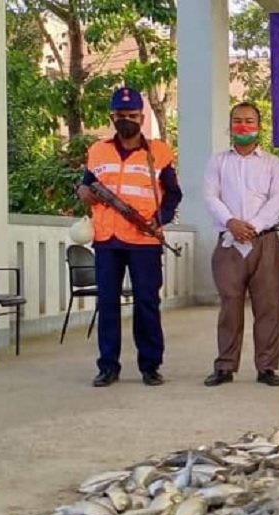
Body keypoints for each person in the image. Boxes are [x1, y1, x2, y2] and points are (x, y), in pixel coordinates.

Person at [78, 86, 183, 388]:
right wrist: (83, 193)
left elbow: (174, 194)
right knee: (107, 303)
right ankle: (108, 366)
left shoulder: (159, 152)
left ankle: (150, 365)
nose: (126, 120)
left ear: (142, 116)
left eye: (132, 115)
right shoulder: (98, 151)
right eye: (120, 115)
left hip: (145, 240)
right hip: (107, 239)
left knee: (147, 303)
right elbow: (86, 187)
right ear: (112, 116)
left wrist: (158, 219)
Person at [202, 101, 279, 387]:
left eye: (249, 121)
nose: (243, 126)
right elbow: (211, 197)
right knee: (230, 304)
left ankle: (267, 366)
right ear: (230, 126)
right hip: (229, 241)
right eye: (238, 121)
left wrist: (254, 226)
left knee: (269, 306)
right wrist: (231, 223)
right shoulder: (218, 162)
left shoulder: (272, 163)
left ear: (259, 127)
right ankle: (225, 365)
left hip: (264, 241)